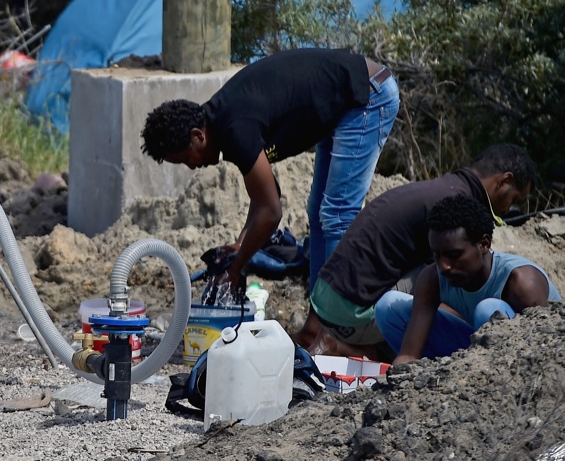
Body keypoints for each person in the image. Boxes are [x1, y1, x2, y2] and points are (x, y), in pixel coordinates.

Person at [141, 48, 399, 300]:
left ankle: (336, 329)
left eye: (187, 158)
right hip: (344, 104)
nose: (191, 167)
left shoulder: (235, 130)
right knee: (319, 213)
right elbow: (264, 194)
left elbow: (272, 211)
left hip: (367, 96)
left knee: (337, 215)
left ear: (198, 136)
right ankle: (319, 322)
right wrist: (241, 245)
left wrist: (236, 267)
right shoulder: (222, 123)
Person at [310, 143, 537, 359]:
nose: (508, 209)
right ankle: (344, 346)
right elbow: (443, 291)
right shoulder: (453, 208)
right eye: (514, 199)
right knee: (450, 273)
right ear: (504, 180)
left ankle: (359, 346)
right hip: (351, 316)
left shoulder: (445, 188)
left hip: (328, 301)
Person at [377, 194, 560, 364]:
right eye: (437, 255)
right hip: (471, 353)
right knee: (388, 306)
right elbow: (409, 354)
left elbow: (546, 348)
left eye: (454, 255)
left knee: (487, 310)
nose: (444, 266)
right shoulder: (433, 277)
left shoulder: (521, 282)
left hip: (516, 359)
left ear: (483, 244)